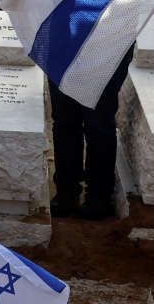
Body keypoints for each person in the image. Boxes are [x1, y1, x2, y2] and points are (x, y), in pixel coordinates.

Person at [49, 51, 132, 221]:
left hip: (108, 41)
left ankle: (99, 196)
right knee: (64, 119)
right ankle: (66, 190)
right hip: (64, 40)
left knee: (98, 123)